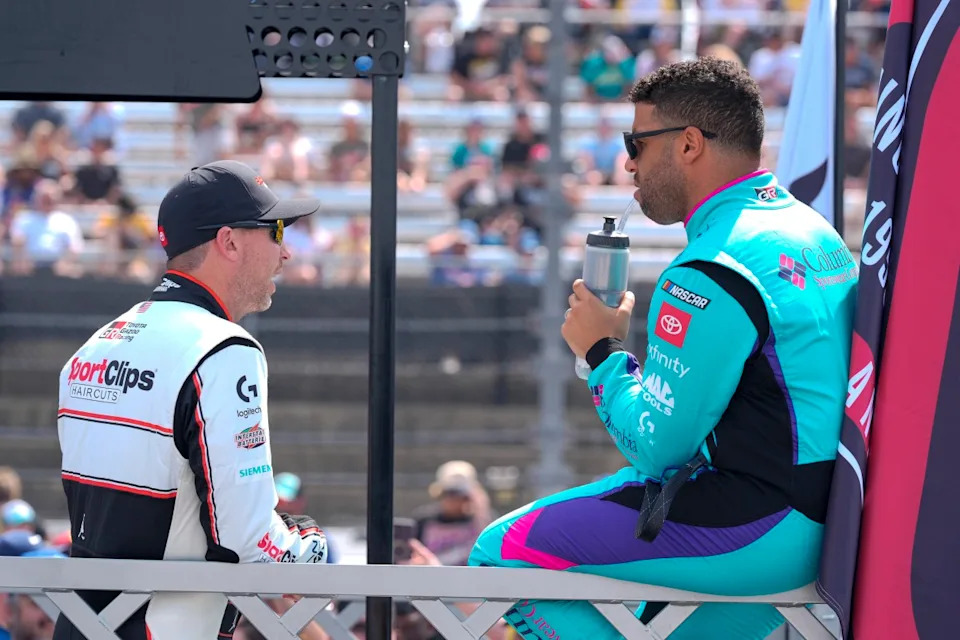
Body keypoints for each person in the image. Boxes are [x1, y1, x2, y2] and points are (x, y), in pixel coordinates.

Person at [469, 57, 858, 639]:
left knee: (501, 551)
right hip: (834, 524)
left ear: (690, 145)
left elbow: (657, 448)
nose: (629, 162)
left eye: (638, 142)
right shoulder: (815, 230)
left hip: (759, 530)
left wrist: (599, 352)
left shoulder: (707, 269)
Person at [53, 160, 329, 640]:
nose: (285, 253)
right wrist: (307, 545)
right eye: (276, 229)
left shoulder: (96, 344)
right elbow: (248, 540)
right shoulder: (224, 349)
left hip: (81, 623)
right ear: (229, 241)